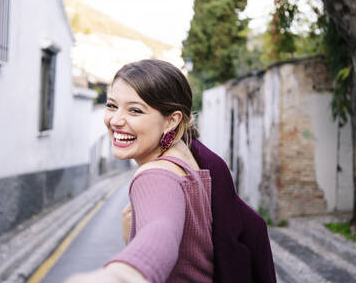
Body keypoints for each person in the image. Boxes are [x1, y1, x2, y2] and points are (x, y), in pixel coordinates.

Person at [66, 59, 276, 283]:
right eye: (111, 105)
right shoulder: (190, 155)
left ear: (171, 121)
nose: (116, 120)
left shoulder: (156, 175)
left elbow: (159, 234)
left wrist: (122, 275)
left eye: (135, 110)